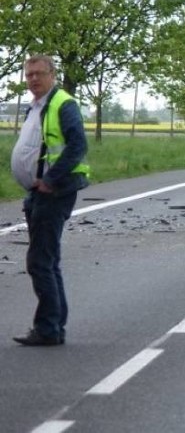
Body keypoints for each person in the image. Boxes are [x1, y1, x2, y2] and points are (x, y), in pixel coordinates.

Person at [10, 55, 90, 346]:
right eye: (29, 75)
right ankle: (53, 326)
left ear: (52, 74)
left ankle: (48, 328)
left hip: (54, 191)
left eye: (38, 74)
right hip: (39, 192)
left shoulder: (62, 103)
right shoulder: (37, 106)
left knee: (40, 261)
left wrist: (50, 180)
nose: (33, 79)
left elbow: (78, 145)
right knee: (47, 260)